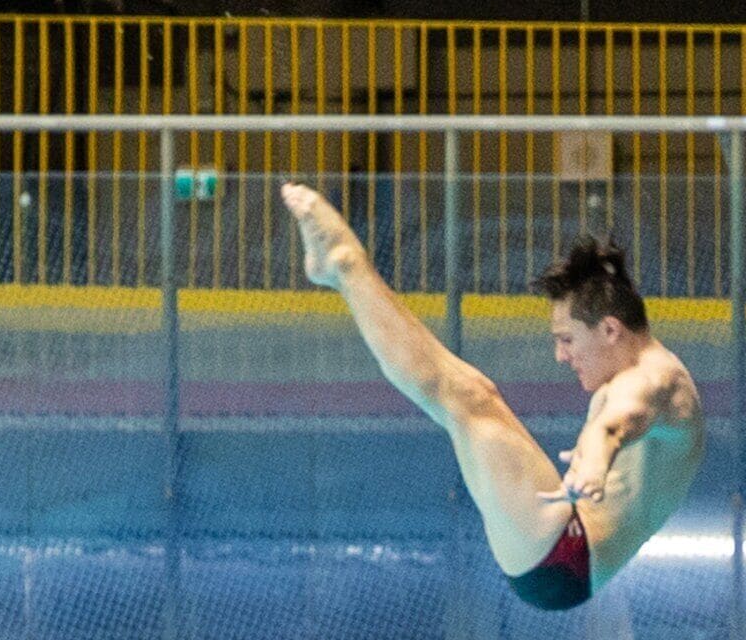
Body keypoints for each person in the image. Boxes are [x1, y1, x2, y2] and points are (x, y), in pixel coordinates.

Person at [279, 183, 705, 611]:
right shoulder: (651, 374)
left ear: (611, 330)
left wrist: (593, 464)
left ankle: (346, 265)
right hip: (563, 557)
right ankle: (342, 269)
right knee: (461, 400)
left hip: (568, 554)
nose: (561, 356)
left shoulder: (656, 381)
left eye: (566, 340)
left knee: (465, 397)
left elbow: (618, 422)